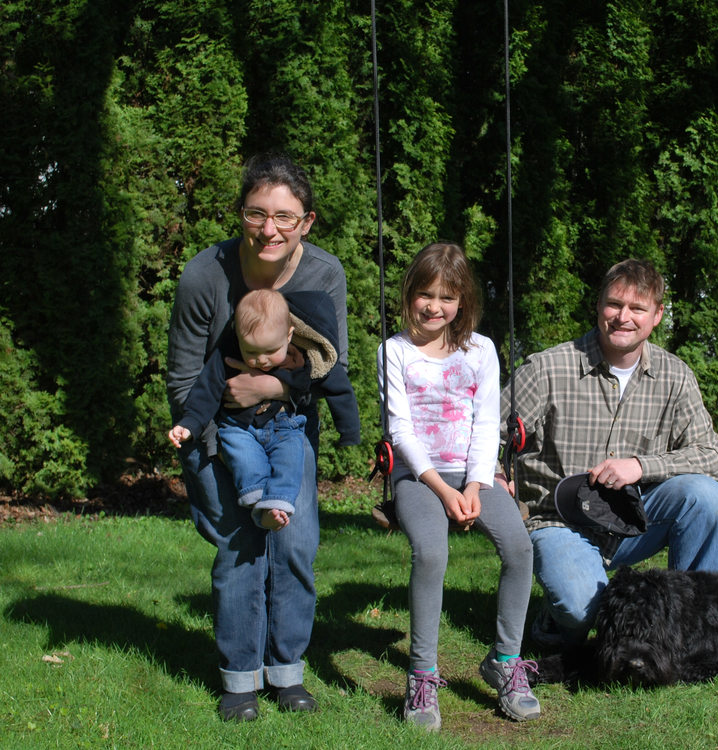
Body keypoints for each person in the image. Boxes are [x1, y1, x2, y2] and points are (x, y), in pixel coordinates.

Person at [167, 153, 352, 721]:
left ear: (307, 222)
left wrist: (264, 389)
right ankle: (240, 678)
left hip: (289, 433)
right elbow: (182, 380)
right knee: (240, 551)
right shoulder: (204, 276)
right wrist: (218, 448)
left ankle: (287, 672)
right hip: (214, 435)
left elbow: (325, 370)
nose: (269, 229)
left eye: (284, 216)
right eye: (256, 213)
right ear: (241, 214)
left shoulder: (324, 276)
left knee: (293, 547)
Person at [500, 258, 718, 647]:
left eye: (637, 308)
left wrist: (641, 466)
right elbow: (488, 432)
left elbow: (710, 456)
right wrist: (494, 477)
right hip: (558, 521)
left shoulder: (675, 376)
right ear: (599, 305)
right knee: (581, 610)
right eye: (614, 304)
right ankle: (557, 616)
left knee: (704, 497)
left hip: (631, 520)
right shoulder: (548, 368)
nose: (623, 317)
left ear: (656, 316)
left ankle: (693, 629)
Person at [377, 242, 539, 731]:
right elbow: (399, 430)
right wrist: (444, 492)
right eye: (425, 294)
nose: (434, 306)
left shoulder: (481, 350)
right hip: (418, 476)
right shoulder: (394, 351)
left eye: (447, 297)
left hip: (475, 471)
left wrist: (475, 483)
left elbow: (487, 422)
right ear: (409, 293)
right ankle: (423, 675)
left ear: (463, 301)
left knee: (519, 549)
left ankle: (505, 661)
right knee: (430, 553)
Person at [168, 288, 359, 532]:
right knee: (241, 455)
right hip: (240, 427)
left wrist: (349, 430)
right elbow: (207, 388)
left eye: (270, 351)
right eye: (251, 352)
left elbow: (338, 387)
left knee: (291, 460)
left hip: (285, 426)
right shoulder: (228, 352)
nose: (261, 360)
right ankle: (258, 498)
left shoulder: (303, 356)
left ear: (289, 335)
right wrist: (190, 423)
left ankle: (277, 504)